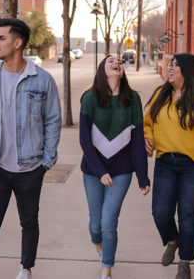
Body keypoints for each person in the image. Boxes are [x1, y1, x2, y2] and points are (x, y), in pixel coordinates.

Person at [0, 18, 61, 279]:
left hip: (30, 167)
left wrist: (46, 161)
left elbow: (52, 120)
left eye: (1, 38)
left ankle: (25, 267)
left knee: (29, 221)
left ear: (17, 43)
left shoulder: (42, 80)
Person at [143, 53, 194, 279]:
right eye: (170, 64)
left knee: (188, 216)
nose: (170, 68)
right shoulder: (161, 94)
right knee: (160, 213)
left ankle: (185, 262)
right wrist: (146, 137)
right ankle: (172, 240)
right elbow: (147, 123)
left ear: (188, 71)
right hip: (165, 163)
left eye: (176, 66)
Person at [79, 55, 151, 279]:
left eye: (119, 61)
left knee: (109, 221)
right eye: (110, 60)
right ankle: (99, 247)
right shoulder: (90, 98)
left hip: (121, 170)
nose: (116, 62)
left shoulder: (133, 99)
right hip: (93, 170)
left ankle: (107, 269)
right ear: (103, 69)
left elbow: (138, 140)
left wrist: (143, 177)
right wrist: (100, 172)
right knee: (95, 225)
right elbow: (84, 140)